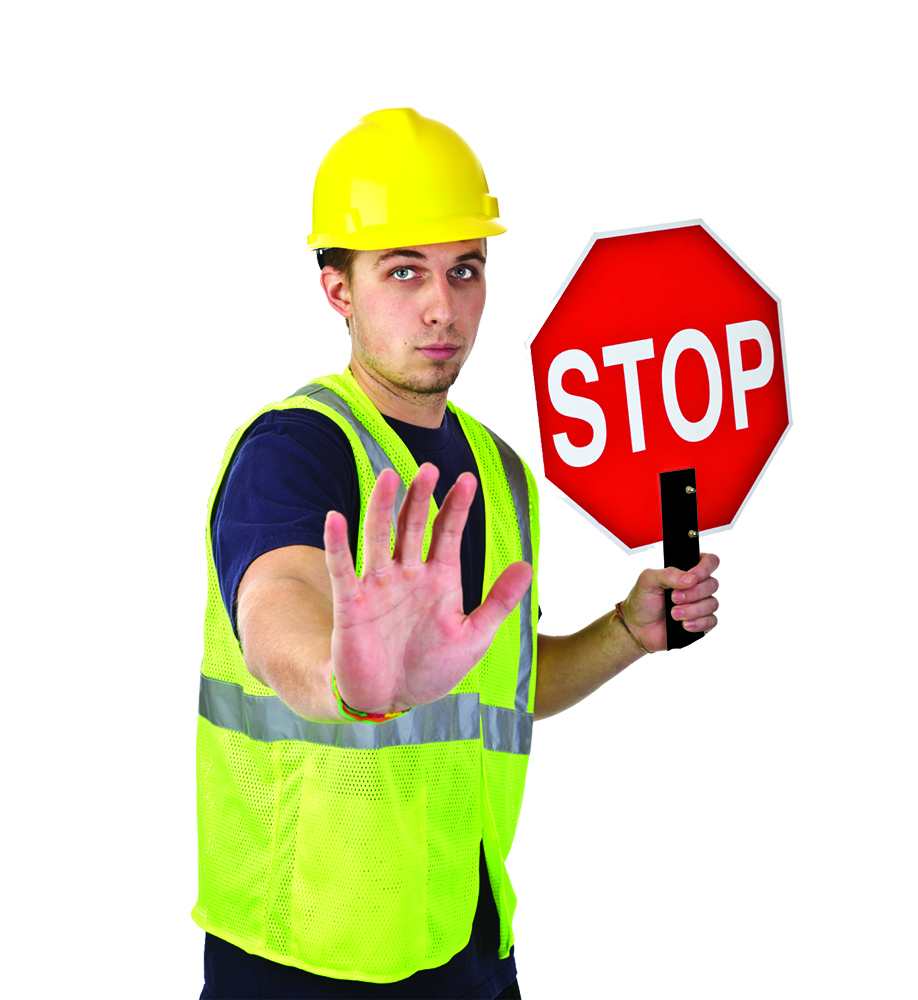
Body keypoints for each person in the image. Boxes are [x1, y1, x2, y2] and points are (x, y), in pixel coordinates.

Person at [193, 107, 720, 1000]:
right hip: (306, 962)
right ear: (338, 289)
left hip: (469, 941)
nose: (444, 305)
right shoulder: (298, 449)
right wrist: (344, 682)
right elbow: (276, 607)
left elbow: (497, 686)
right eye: (404, 272)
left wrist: (625, 634)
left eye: (465, 270)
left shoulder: (502, 473)